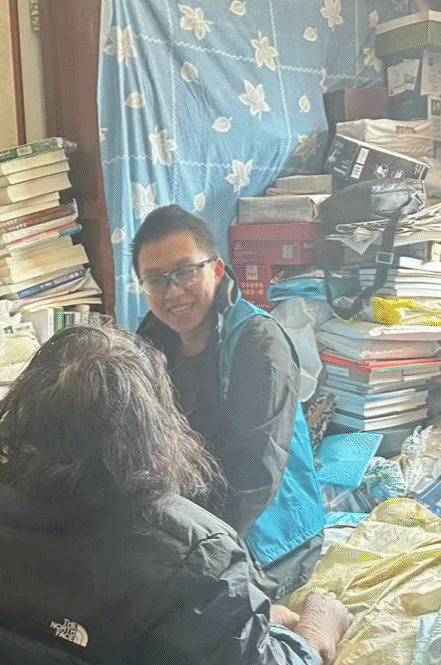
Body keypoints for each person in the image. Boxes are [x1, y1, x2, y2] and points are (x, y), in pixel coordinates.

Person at [0, 324, 351, 665]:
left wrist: (250, 622)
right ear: (151, 425)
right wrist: (314, 633)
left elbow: (55, 632)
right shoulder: (196, 554)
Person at [133, 205, 325, 599]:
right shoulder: (151, 340)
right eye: (155, 280)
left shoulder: (258, 342)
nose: (172, 292)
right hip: (190, 513)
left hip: (270, 533)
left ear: (217, 270)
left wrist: (197, 549)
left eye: (185, 272)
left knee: (191, 612)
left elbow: (256, 473)